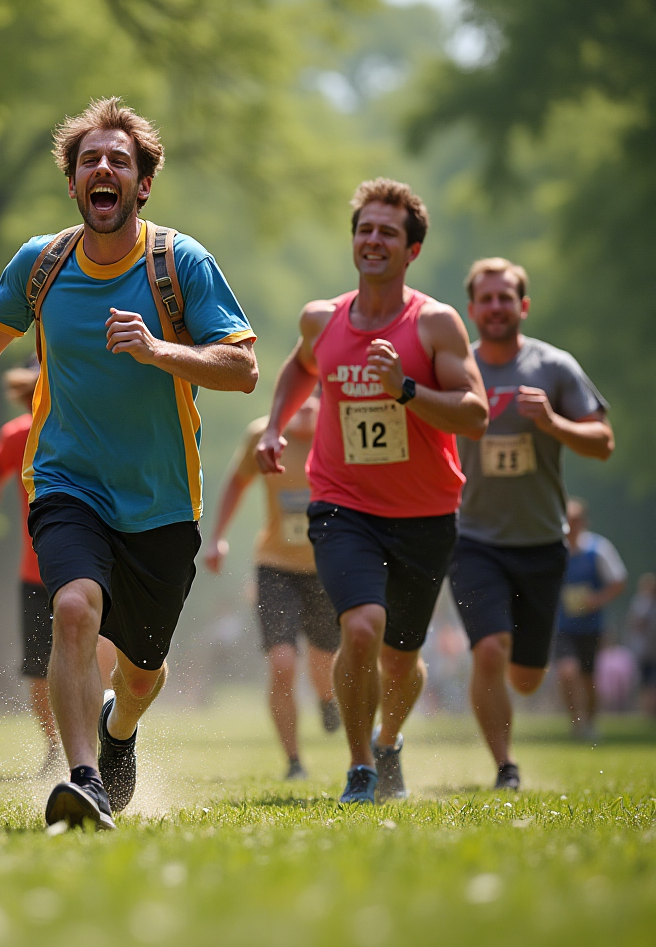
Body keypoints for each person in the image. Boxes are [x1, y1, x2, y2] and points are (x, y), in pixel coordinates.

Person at [0, 97, 257, 829]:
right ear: (74, 184)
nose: (104, 170)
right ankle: (85, 779)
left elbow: (242, 368)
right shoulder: (43, 263)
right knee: (71, 609)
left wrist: (161, 350)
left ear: (141, 184)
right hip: (66, 482)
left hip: (161, 500)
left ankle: (119, 730)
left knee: (141, 673)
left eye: (119, 161)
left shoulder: (178, 262)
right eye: (90, 160)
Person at [256, 178, 489, 804]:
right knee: (360, 625)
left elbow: (475, 414)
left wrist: (406, 390)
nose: (374, 240)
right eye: (365, 229)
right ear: (353, 241)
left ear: (411, 250)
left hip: (425, 511)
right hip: (341, 503)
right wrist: (276, 426)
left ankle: (388, 740)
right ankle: (360, 766)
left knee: (399, 660)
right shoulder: (322, 318)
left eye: (388, 232)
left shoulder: (436, 324)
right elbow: (300, 366)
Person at [448, 258, 615, 787]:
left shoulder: (554, 367)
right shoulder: (458, 369)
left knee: (525, 675)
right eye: (486, 299)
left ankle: (509, 736)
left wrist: (552, 421)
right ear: (472, 309)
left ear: (522, 306)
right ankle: (505, 766)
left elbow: (603, 442)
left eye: (506, 298)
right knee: (489, 649)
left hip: (542, 541)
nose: (496, 307)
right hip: (472, 538)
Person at [0, 367, 117, 773]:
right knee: (38, 670)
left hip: (92, 568)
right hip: (35, 572)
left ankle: (102, 730)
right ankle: (57, 745)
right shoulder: (20, 434)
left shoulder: (90, 427)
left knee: (98, 652)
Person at [205, 391, 340, 779]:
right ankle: (294, 761)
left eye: (317, 398)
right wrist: (217, 537)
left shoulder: (338, 435)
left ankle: (328, 699)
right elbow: (237, 481)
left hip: (326, 567)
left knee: (323, 664)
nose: (309, 407)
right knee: (282, 664)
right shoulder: (263, 435)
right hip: (275, 565)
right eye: (302, 398)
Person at [553, 498, 626, 740]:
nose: (570, 526)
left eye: (575, 520)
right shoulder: (556, 549)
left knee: (588, 677)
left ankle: (591, 723)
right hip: (562, 625)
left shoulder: (598, 548)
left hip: (590, 626)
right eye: (567, 520)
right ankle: (575, 723)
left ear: (583, 522)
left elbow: (618, 581)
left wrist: (597, 599)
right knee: (566, 672)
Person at [626, 572, 656, 717]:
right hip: (644, 651)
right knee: (645, 682)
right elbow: (636, 624)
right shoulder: (641, 603)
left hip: (652, 650)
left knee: (652, 683)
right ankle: (647, 711)